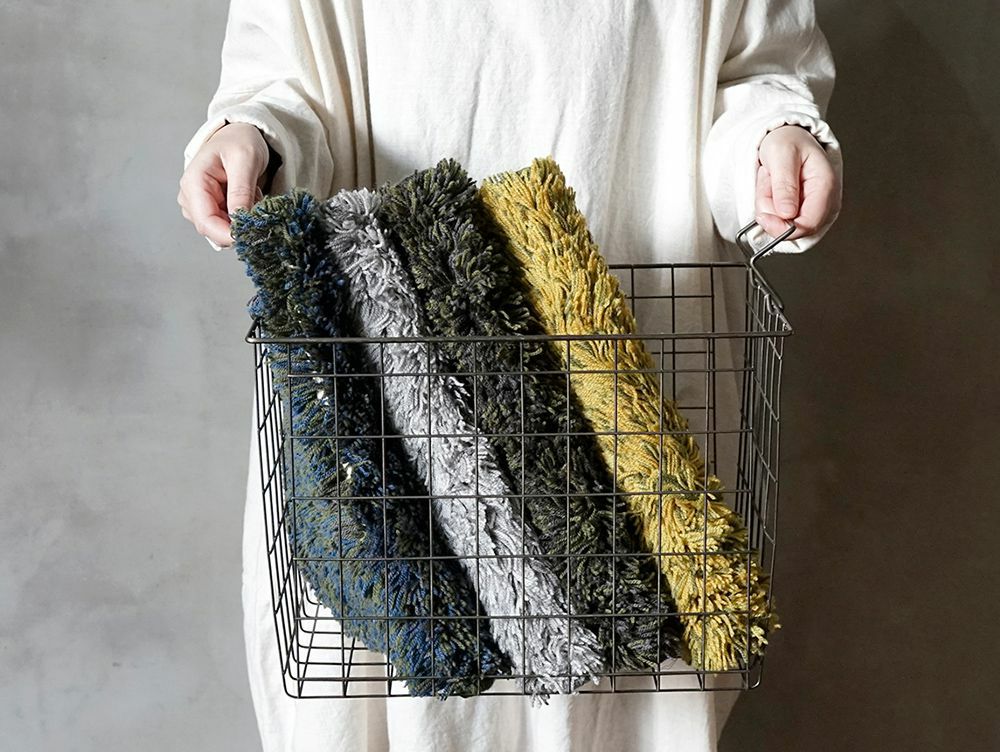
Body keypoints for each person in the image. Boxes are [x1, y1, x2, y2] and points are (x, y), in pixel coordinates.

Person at [179, 2, 843, 750]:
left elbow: (755, 72)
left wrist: (773, 141)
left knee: (625, 687)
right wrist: (251, 139)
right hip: (382, 406)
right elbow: (285, 81)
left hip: (629, 394)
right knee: (396, 668)